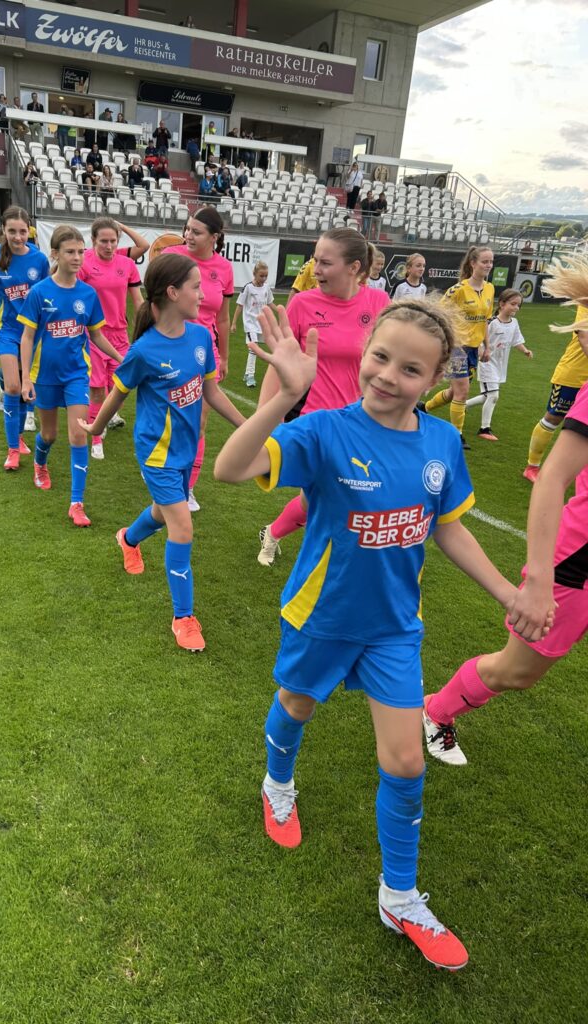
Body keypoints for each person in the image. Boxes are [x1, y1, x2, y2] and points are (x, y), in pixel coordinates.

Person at [213, 299, 520, 972]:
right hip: (322, 618)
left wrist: (507, 592)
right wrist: (282, 398)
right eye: (380, 357)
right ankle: (277, 784)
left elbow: (448, 529)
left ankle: (399, 897)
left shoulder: (440, 443)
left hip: (393, 629)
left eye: (411, 369)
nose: (387, 375)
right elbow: (229, 470)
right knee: (297, 705)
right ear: (365, 353)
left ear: (435, 378)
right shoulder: (325, 431)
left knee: (407, 762)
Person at [422, 257, 588, 768]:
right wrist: (538, 579)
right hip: (578, 562)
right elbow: (554, 479)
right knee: (518, 671)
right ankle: (436, 710)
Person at [80, 253, 245, 651]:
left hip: (187, 450)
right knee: (181, 526)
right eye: (195, 287)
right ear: (172, 293)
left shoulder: (201, 337)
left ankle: (128, 539)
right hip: (157, 453)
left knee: (162, 510)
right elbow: (118, 394)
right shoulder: (144, 351)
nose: (203, 295)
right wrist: (96, 428)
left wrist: (248, 427)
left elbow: (211, 391)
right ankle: (183, 618)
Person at [257, 229, 390, 567]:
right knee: (336, 496)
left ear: (354, 267)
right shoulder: (303, 304)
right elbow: (279, 364)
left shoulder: (379, 304)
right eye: (315, 260)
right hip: (317, 422)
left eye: (325, 263)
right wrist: (263, 420)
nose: (315, 269)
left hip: (366, 421)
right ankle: (328, 566)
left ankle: (273, 532)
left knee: (320, 499)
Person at [18, 226, 123, 526]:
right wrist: (26, 379)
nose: (77, 257)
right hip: (45, 376)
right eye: (70, 252)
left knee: (79, 435)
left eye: (80, 252)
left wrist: (121, 358)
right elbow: (27, 337)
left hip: (77, 374)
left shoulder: (88, 294)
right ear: (55, 254)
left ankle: (77, 503)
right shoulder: (40, 293)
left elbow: (97, 335)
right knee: (49, 435)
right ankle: (40, 463)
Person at [165, 207, 235, 511]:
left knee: (199, 423)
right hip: (170, 349)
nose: (188, 235)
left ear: (214, 237)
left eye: (196, 231)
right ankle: (163, 471)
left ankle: (187, 488)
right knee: (169, 419)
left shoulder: (225, 268)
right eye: (187, 229)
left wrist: (224, 357)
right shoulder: (172, 257)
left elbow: (223, 318)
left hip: (205, 354)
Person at [0, 206, 51, 468]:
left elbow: (46, 297)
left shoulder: (40, 260)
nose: (18, 237)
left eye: (22, 231)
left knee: (23, 390)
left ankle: (18, 437)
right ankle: (12, 451)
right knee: (12, 387)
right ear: (3, 231)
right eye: (12, 232)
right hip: (6, 330)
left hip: (33, 332)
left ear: (29, 230)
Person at [79, 217, 150, 459]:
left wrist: (146, 328)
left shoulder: (126, 263)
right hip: (94, 335)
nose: (109, 246)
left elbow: (138, 300)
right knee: (97, 389)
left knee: (120, 387)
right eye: (103, 241)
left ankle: (104, 417)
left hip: (120, 336)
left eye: (113, 241)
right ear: (93, 240)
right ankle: (96, 438)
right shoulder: (85, 262)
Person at [421, 246, 494, 450]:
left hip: (473, 350)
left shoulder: (489, 288)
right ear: (473, 263)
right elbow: (438, 314)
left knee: (455, 392)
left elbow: (485, 320)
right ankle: (457, 435)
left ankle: (424, 407)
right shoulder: (458, 290)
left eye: (491, 262)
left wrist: (486, 347)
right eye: (485, 261)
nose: (488, 265)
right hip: (457, 348)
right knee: (463, 391)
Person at [522, 261, 588, 483]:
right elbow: (584, 337)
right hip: (573, 375)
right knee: (553, 417)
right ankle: (532, 466)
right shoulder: (586, 300)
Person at [465, 289, 533, 441]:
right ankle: (484, 429)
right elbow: (478, 340)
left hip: (501, 365)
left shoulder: (514, 323)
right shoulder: (491, 323)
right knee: (494, 396)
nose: (516, 308)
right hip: (487, 363)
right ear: (502, 304)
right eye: (513, 304)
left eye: (518, 305)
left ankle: (463, 406)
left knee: (487, 396)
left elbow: (517, 340)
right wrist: (482, 353)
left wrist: (525, 350)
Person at [231, 260, 277, 388]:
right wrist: (234, 323)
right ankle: (250, 376)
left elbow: (270, 302)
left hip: (263, 324)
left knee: (273, 345)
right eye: (261, 276)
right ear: (254, 274)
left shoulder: (266, 287)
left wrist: (279, 310)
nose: (264, 278)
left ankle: (248, 374)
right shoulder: (248, 288)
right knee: (254, 348)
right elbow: (240, 305)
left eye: (266, 276)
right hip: (250, 324)